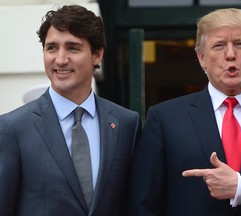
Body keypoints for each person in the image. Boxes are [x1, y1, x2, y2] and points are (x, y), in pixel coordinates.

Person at [127, 8, 241, 216]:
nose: (230, 54)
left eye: (240, 44)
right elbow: (143, 203)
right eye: (219, 46)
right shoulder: (165, 118)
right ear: (202, 57)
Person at [0, 5, 141, 216]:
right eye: (52, 48)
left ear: (97, 55)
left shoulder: (127, 123)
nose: (60, 59)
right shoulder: (14, 127)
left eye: (73, 48)